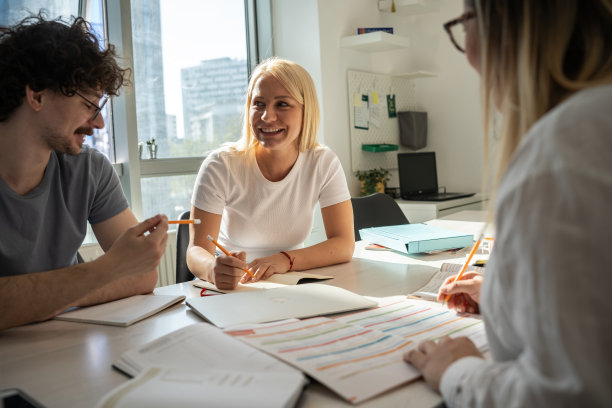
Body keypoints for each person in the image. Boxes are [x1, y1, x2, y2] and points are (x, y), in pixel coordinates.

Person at [403, 0, 612, 406]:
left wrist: (458, 372)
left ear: (503, 23)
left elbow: (570, 395)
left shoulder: (561, 151)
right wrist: (509, 296)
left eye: (466, 21)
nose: (469, 56)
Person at [0, 14, 168, 331]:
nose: (100, 124)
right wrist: (103, 272)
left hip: (66, 346)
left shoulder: (89, 169)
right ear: (36, 95)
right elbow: (121, 269)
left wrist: (33, 299)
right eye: (90, 106)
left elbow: (142, 274)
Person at [187, 57, 354, 290]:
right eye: (259, 104)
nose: (267, 116)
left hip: (292, 281)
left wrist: (285, 260)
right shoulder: (220, 165)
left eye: (282, 104)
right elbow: (196, 251)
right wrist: (211, 269)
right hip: (234, 287)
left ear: (306, 110)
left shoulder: (323, 162)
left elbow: (344, 244)